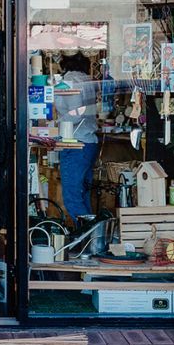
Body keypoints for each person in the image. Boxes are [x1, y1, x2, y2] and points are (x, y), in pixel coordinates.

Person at [53, 53, 101, 222]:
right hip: (89, 142)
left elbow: (76, 114)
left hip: (74, 142)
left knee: (72, 197)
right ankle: (92, 238)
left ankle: (88, 235)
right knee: (83, 194)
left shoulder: (68, 81)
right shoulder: (88, 81)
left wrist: (55, 124)